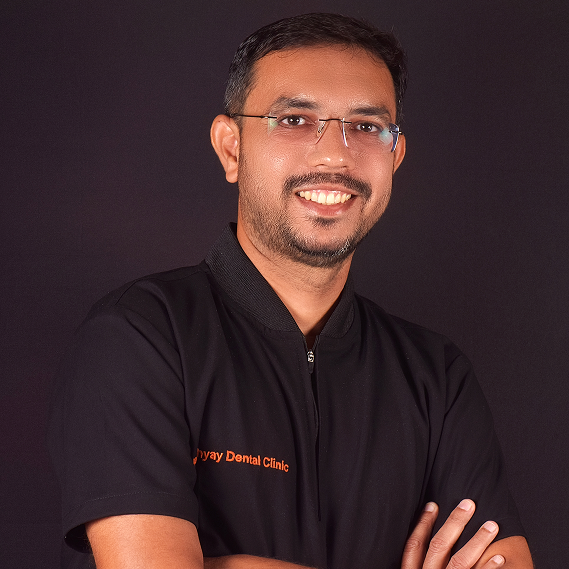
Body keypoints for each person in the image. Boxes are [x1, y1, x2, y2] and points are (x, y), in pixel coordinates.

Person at [49, 13, 533, 569]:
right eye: (295, 120)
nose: (334, 155)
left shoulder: (435, 376)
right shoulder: (140, 337)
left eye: (367, 127)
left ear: (395, 157)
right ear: (232, 149)